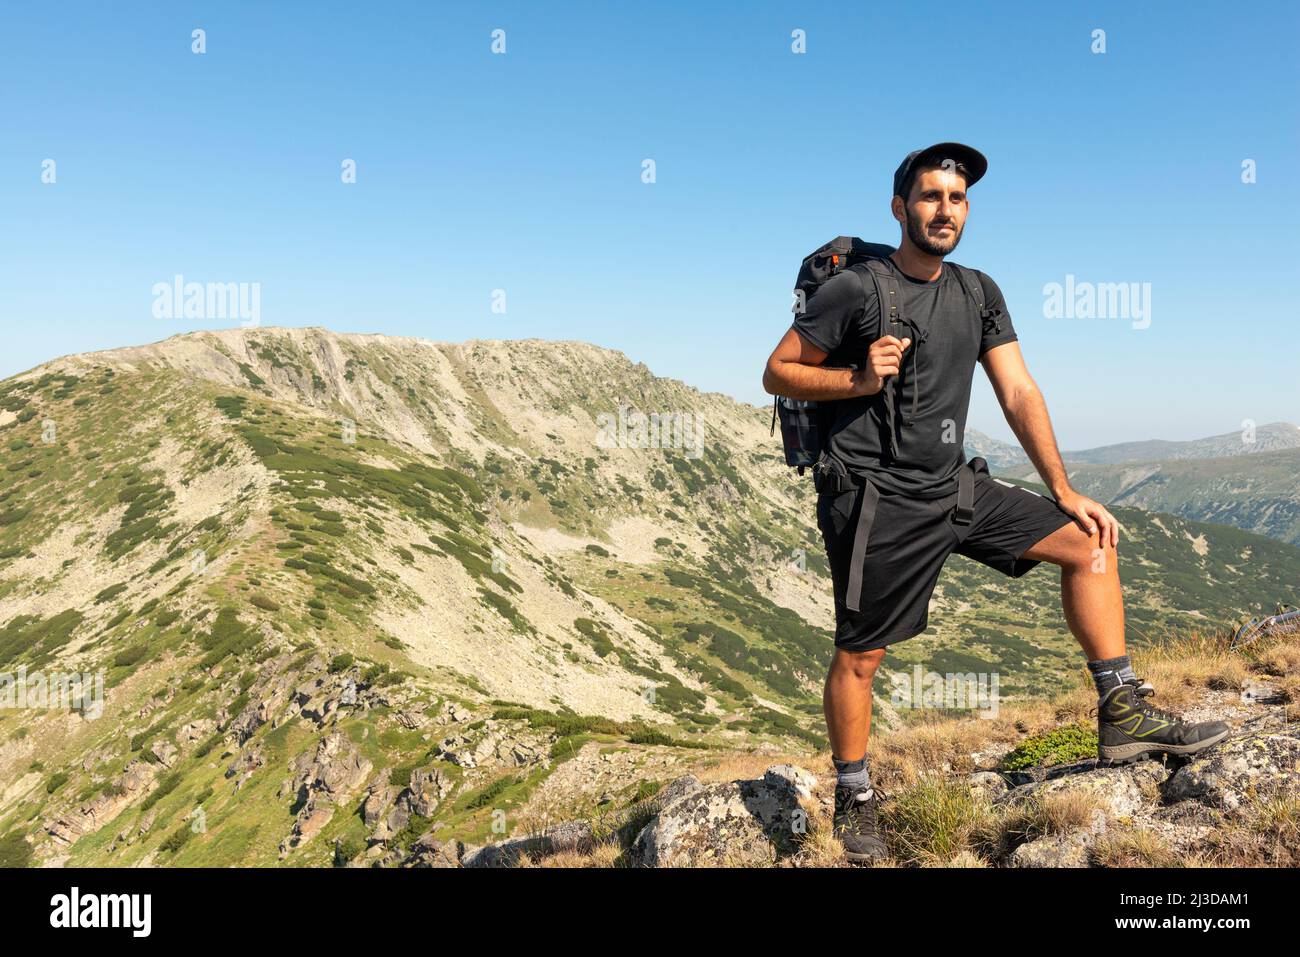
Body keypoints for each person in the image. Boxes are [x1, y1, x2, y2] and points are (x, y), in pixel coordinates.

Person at [761, 142, 1230, 863]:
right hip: (877, 497)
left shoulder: (978, 291)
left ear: (967, 210)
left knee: (1089, 543)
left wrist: (1064, 490)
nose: (944, 208)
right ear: (900, 208)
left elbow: (1018, 390)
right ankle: (854, 792)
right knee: (862, 654)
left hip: (954, 483)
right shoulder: (856, 289)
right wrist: (858, 377)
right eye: (929, 196)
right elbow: (777, 372)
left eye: (956, 198)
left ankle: (1122, 710)